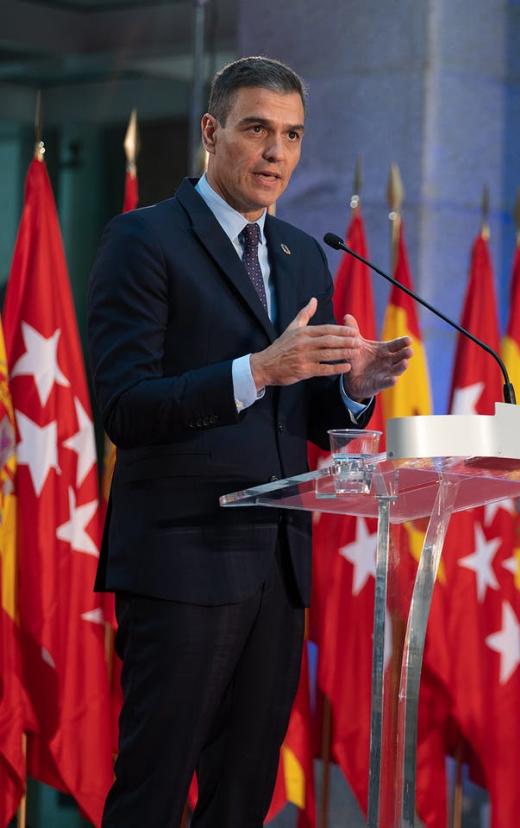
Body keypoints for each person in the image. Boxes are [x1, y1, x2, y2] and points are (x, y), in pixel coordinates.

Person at [88, 56, 411, 827]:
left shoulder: (303, 255)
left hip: (275, 569)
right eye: (258, 130)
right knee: (153, 792)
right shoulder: (144, 240)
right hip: (180, 560)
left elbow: (295, 418)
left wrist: (351, 390)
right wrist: (257, 370)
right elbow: (126, 408)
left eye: (293, 136)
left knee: (242, 799)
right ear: (211, 132)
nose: (277, 153)